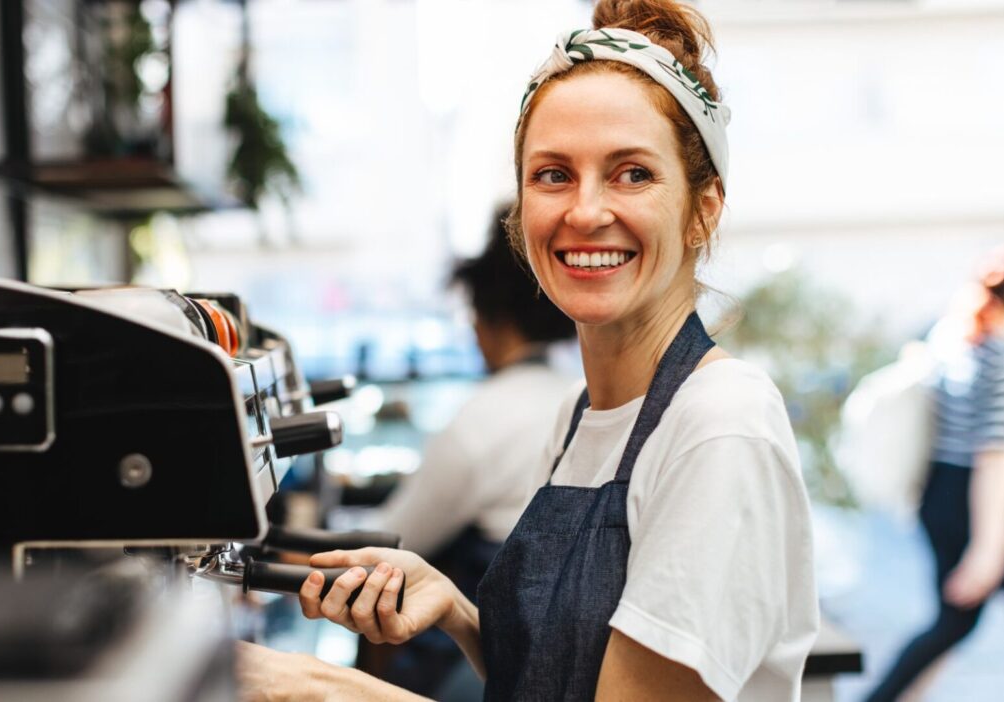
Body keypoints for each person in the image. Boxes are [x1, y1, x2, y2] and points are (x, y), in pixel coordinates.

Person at [236, 1, 819, 699]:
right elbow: (563, 679)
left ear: (704, 208)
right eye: (553, 174)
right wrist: (454, 609)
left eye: (633, 173)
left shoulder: (720, 425)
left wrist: (317, 685)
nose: (585, 210)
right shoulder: (582, 416)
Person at [363, 206, 577, 697]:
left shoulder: (480, 420)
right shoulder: (581, 394)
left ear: (490, 319)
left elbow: (392, 540)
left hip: (486, 664)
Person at [866, 252, 1004, 702]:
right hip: (997, 505)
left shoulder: (964, 346)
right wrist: (989, 550)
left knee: (956, 621)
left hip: (945, 499)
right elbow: (1001, 456)